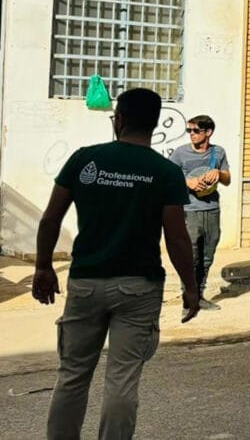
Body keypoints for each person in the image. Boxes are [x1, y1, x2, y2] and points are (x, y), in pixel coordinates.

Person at [33, 88, 200, 440]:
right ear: (154, 123)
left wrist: (43, 267)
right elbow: (177, 238)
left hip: (86, 283)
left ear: (119, 120)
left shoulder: (84, 159)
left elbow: (50, 219)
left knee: (73, 375)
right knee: (122, 380)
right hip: (139, 288)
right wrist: (190, 286)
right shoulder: (165, 172)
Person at [168, 114, 231, 311]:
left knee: (207, 256)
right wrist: (187, 182)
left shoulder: (218, 153)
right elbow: (167, 177)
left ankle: (199, 296)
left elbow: (227, 180)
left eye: (196, 130)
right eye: (189, 130)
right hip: (190, 211)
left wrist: (218, 173)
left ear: (208, 132)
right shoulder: (180, 153)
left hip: (212, 210)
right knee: (191, 256)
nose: (191, 134)